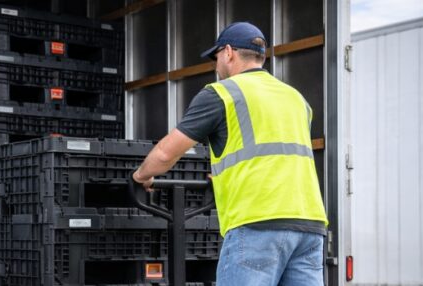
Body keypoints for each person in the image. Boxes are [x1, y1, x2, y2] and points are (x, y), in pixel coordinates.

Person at [131, 22, 328, 285]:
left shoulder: (222, 93)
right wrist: (226, 179)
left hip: (257, 223)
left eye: (216, 58)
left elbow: (166, 154)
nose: (216, 66)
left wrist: (141, 175)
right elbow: (275, 155)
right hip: (309, 224)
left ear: (228, 52)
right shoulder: (296, 98)